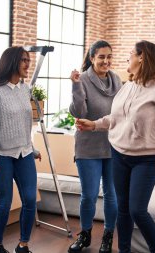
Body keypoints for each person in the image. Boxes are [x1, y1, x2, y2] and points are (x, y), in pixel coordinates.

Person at [76, 40, 155, 253]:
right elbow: (115, 118)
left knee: (137, 210)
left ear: (141, 57)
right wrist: (94, 125)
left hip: (147, 159)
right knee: (124, 210)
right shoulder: (128, 86)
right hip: (119, 155)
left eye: (130, 54)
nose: (126, 57)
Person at [0, 46, 41, 253]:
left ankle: (23, 245)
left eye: (28, 60)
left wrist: (32, 148)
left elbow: (25, 125)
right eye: (24, 60)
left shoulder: (25, 89)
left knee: (30, 199)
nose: (27, 64)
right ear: (12, 62)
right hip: (1, 156)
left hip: (24, 154)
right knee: (4, 203)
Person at [68, 40, 122, 253]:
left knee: (112, 194)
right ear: (91, 58)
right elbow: (79, 112)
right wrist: (75, 86)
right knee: (89, 195)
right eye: (101, 57)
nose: (106, 61)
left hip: (114, 146)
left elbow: (121, 112)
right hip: (88, 147)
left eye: (109, 56)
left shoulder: (117, 79)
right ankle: (86, 235)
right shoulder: (82, 79)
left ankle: (108, 237)